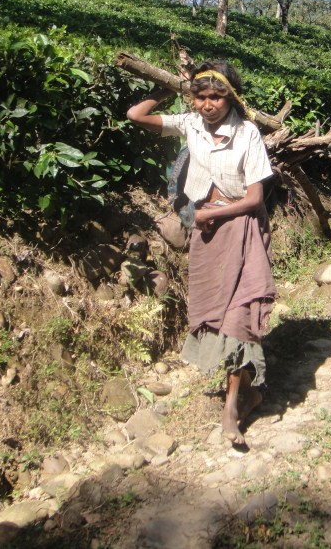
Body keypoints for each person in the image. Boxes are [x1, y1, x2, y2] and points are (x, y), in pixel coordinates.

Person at [126, 60, 276, 446]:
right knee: (216, 314)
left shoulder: (247, 134)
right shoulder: (190, 123)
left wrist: (211, 212)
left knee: (237, 318)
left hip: (241, 227)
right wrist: (169, 88)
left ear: (231, 98)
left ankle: (231, 410)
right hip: (207, 236)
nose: (208, 104)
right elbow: (135, 115)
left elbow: (255, 197)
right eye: (200, 96)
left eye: (216, 96)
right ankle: (252, 393)